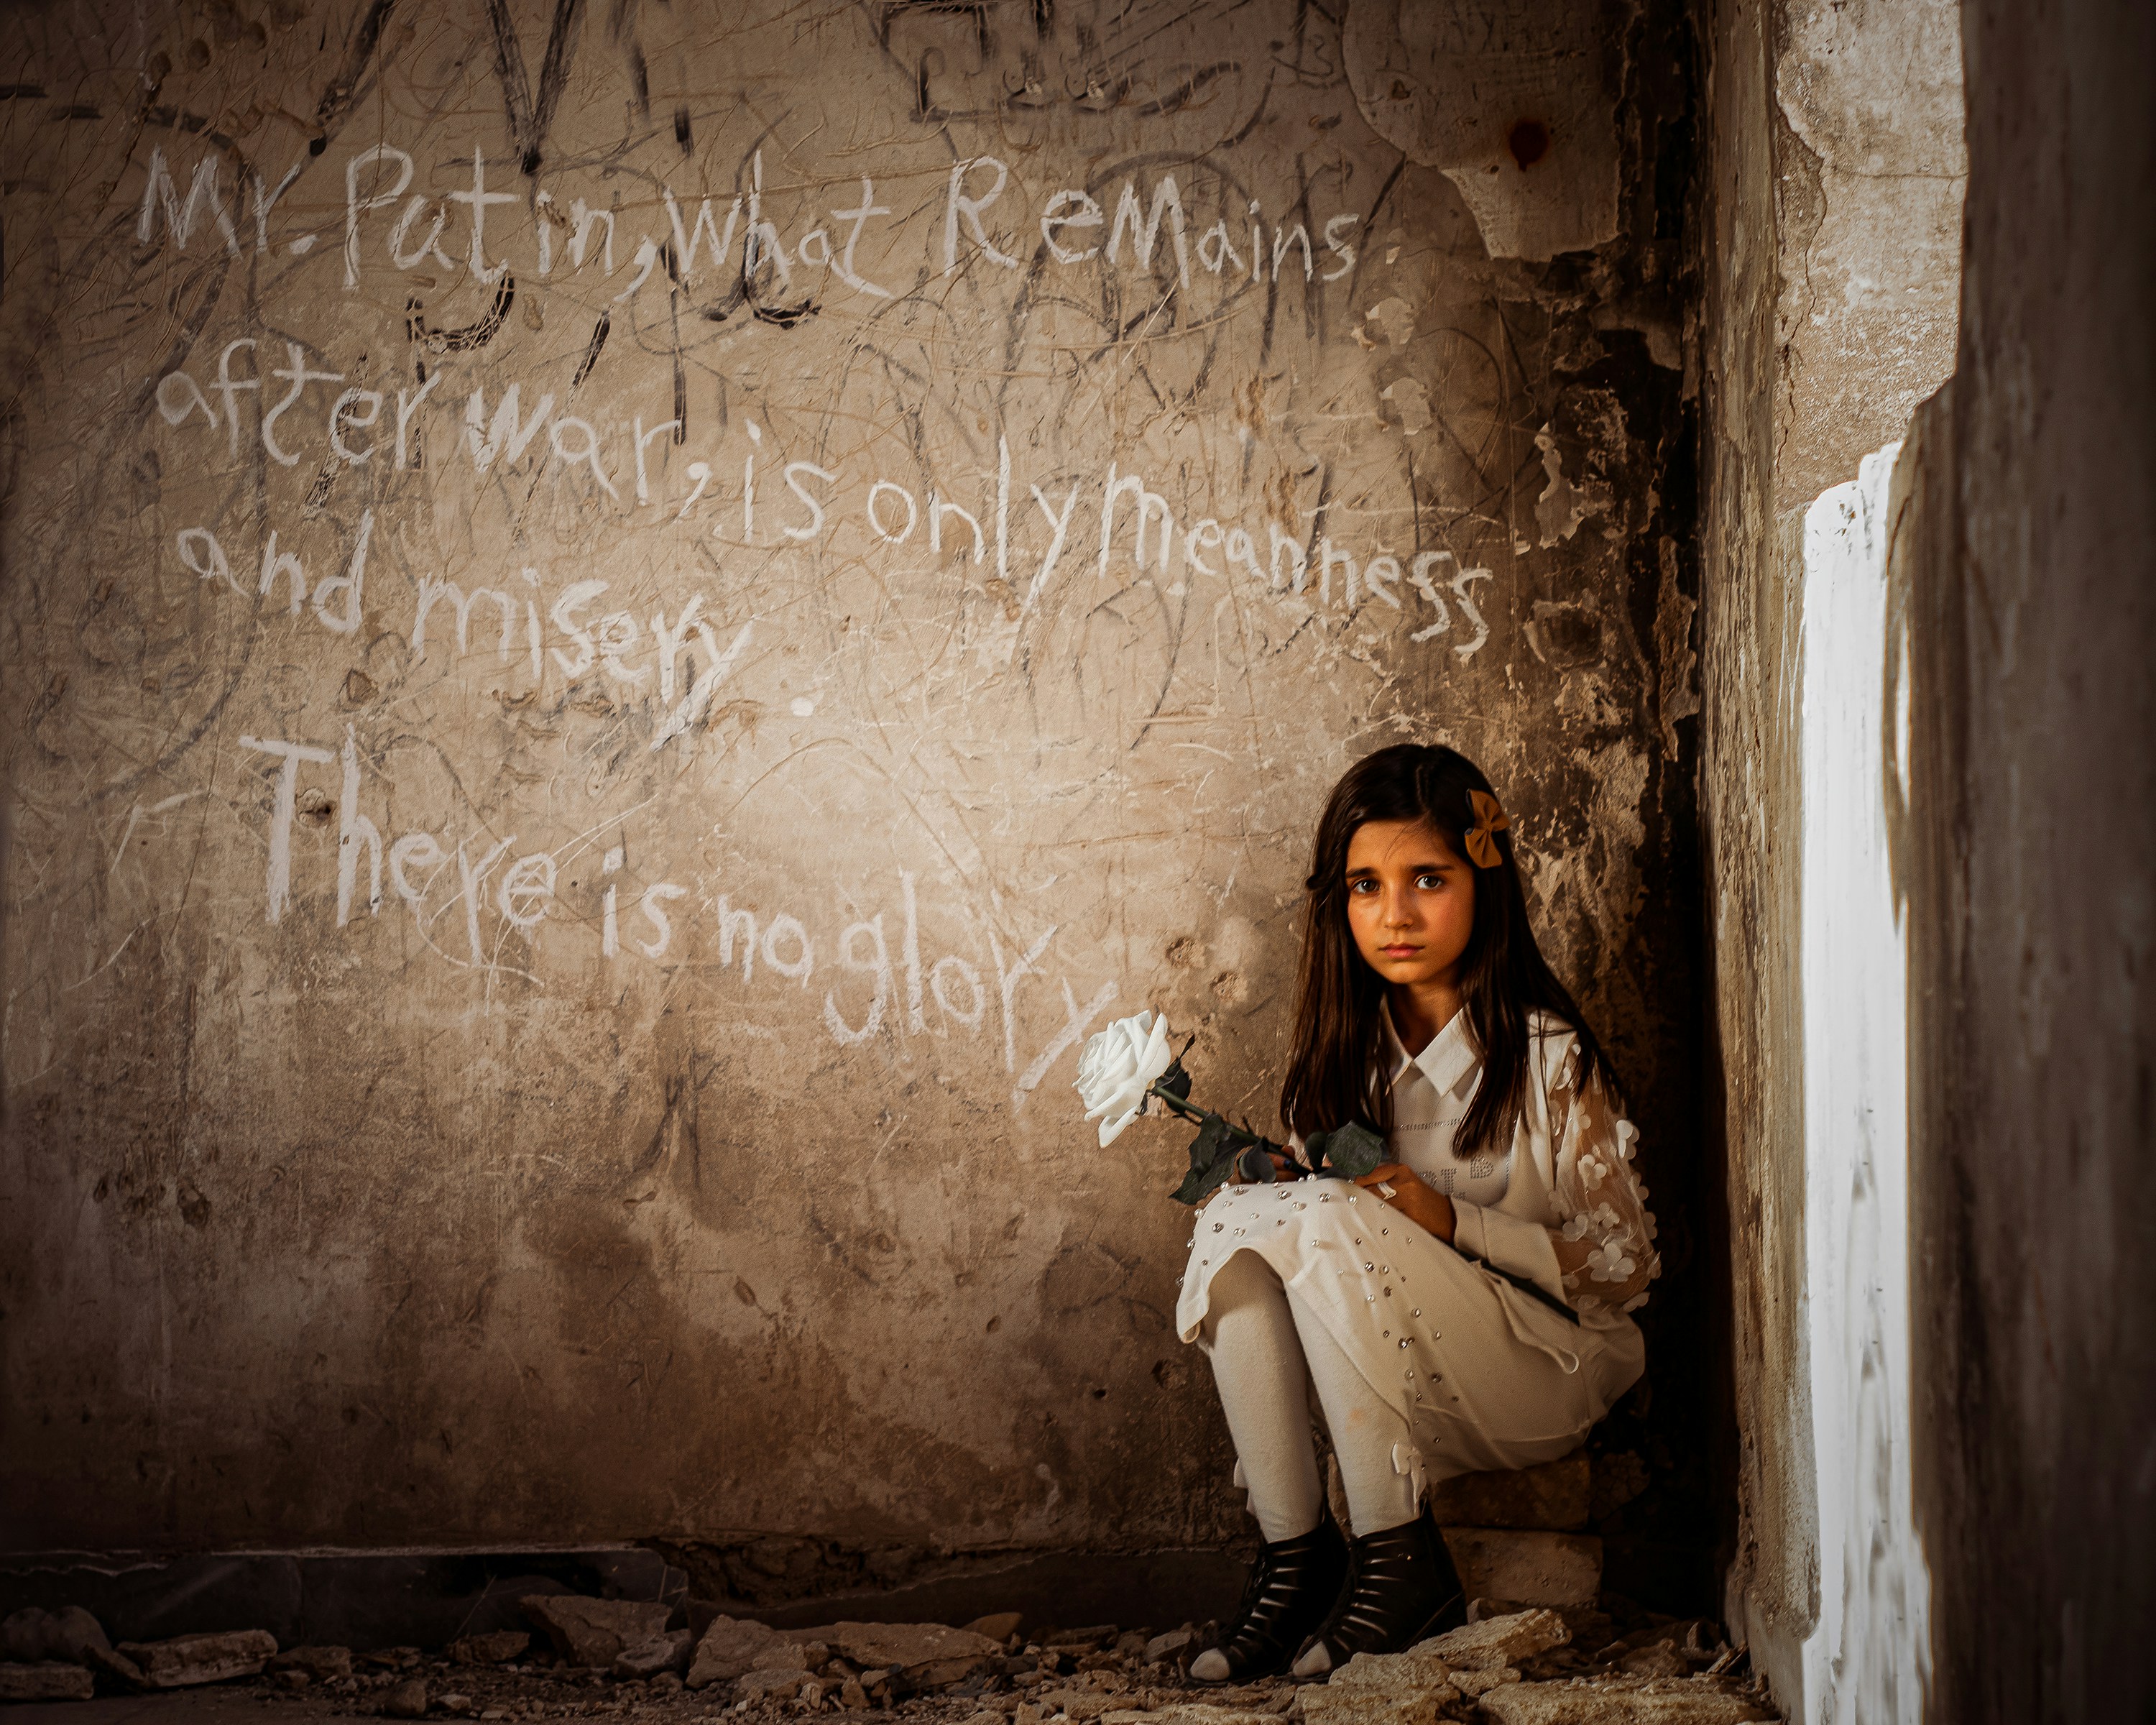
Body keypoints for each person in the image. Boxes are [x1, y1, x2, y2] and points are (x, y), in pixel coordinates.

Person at [1174, 743, 1659, 1682]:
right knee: (1234, 1214)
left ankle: (1400, 1558)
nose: (1393, 914)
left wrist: (1456, 1222)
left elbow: (1628, 1267)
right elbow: (1309, 1247)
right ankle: (1295, 1556)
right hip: (1392, 1382)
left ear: (1483, 881)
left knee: (1316, 1217)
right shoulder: (1343, 1065)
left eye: (1427, 878)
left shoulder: (1548, 1059)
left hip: (1538, 1371)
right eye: (1365, 885)